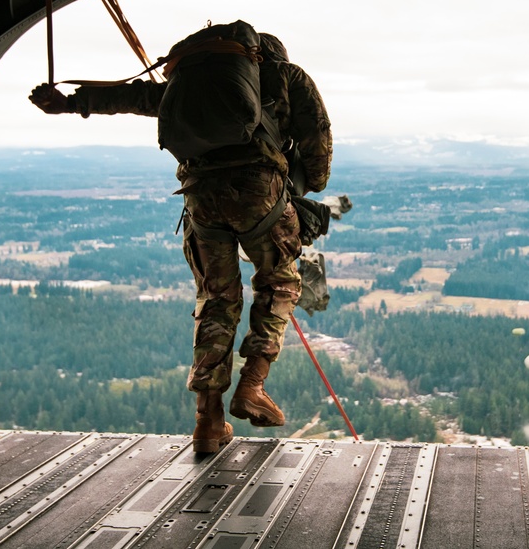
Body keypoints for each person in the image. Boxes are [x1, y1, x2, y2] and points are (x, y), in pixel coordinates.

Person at [29, 30, 332, 453]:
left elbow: (137, 99)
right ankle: (253, 384)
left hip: (200, 196)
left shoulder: (192, 87)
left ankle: (208, 419)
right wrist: (309, 183)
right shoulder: (288, 77)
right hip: (259, 191)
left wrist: (71, 104)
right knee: (281, 283)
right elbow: (318, 140)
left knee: (217, 298)